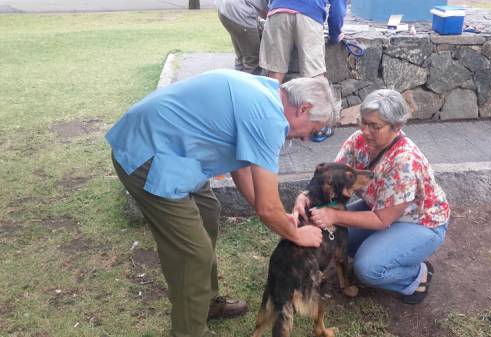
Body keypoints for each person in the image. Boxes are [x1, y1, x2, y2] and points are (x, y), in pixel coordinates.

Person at [106, 69, 338, 337]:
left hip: (175, 150)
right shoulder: (270, 119)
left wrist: (275, 215)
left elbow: (241, 166)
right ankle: (190, 332)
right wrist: (296, 234)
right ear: (304, 109)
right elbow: (267, 208)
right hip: (146, 153)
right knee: (193, 252)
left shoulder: (268, 92)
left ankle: (205, 302)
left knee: (208, 212)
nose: (307, 138)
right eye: (313, 129)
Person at [293, 89, 450, 304]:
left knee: (367, 269)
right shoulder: (358, 140)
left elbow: (382, 220)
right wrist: (304, 197)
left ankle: (416, 275)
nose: (365, 131)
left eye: (374, 126)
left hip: (420, 222)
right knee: (337, 242)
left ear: (397, 127)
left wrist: (333, 216)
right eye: (363, 122)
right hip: (378, 209)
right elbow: (330, 178)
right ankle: (384, 252)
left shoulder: (405, 161)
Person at [259, 0, 348, 141]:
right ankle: (320, 126)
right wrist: (335, 34)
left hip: (278, 12)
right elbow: (338, 7)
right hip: (309, 15)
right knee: (315, 77)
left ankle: (266, 125)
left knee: (274, 77)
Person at [216, 0, 269, 74]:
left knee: (241, 56)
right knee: (253, 59)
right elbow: (267, 13)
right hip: (239, 13)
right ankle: (249, 83)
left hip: (224, 11)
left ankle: (237, 80)